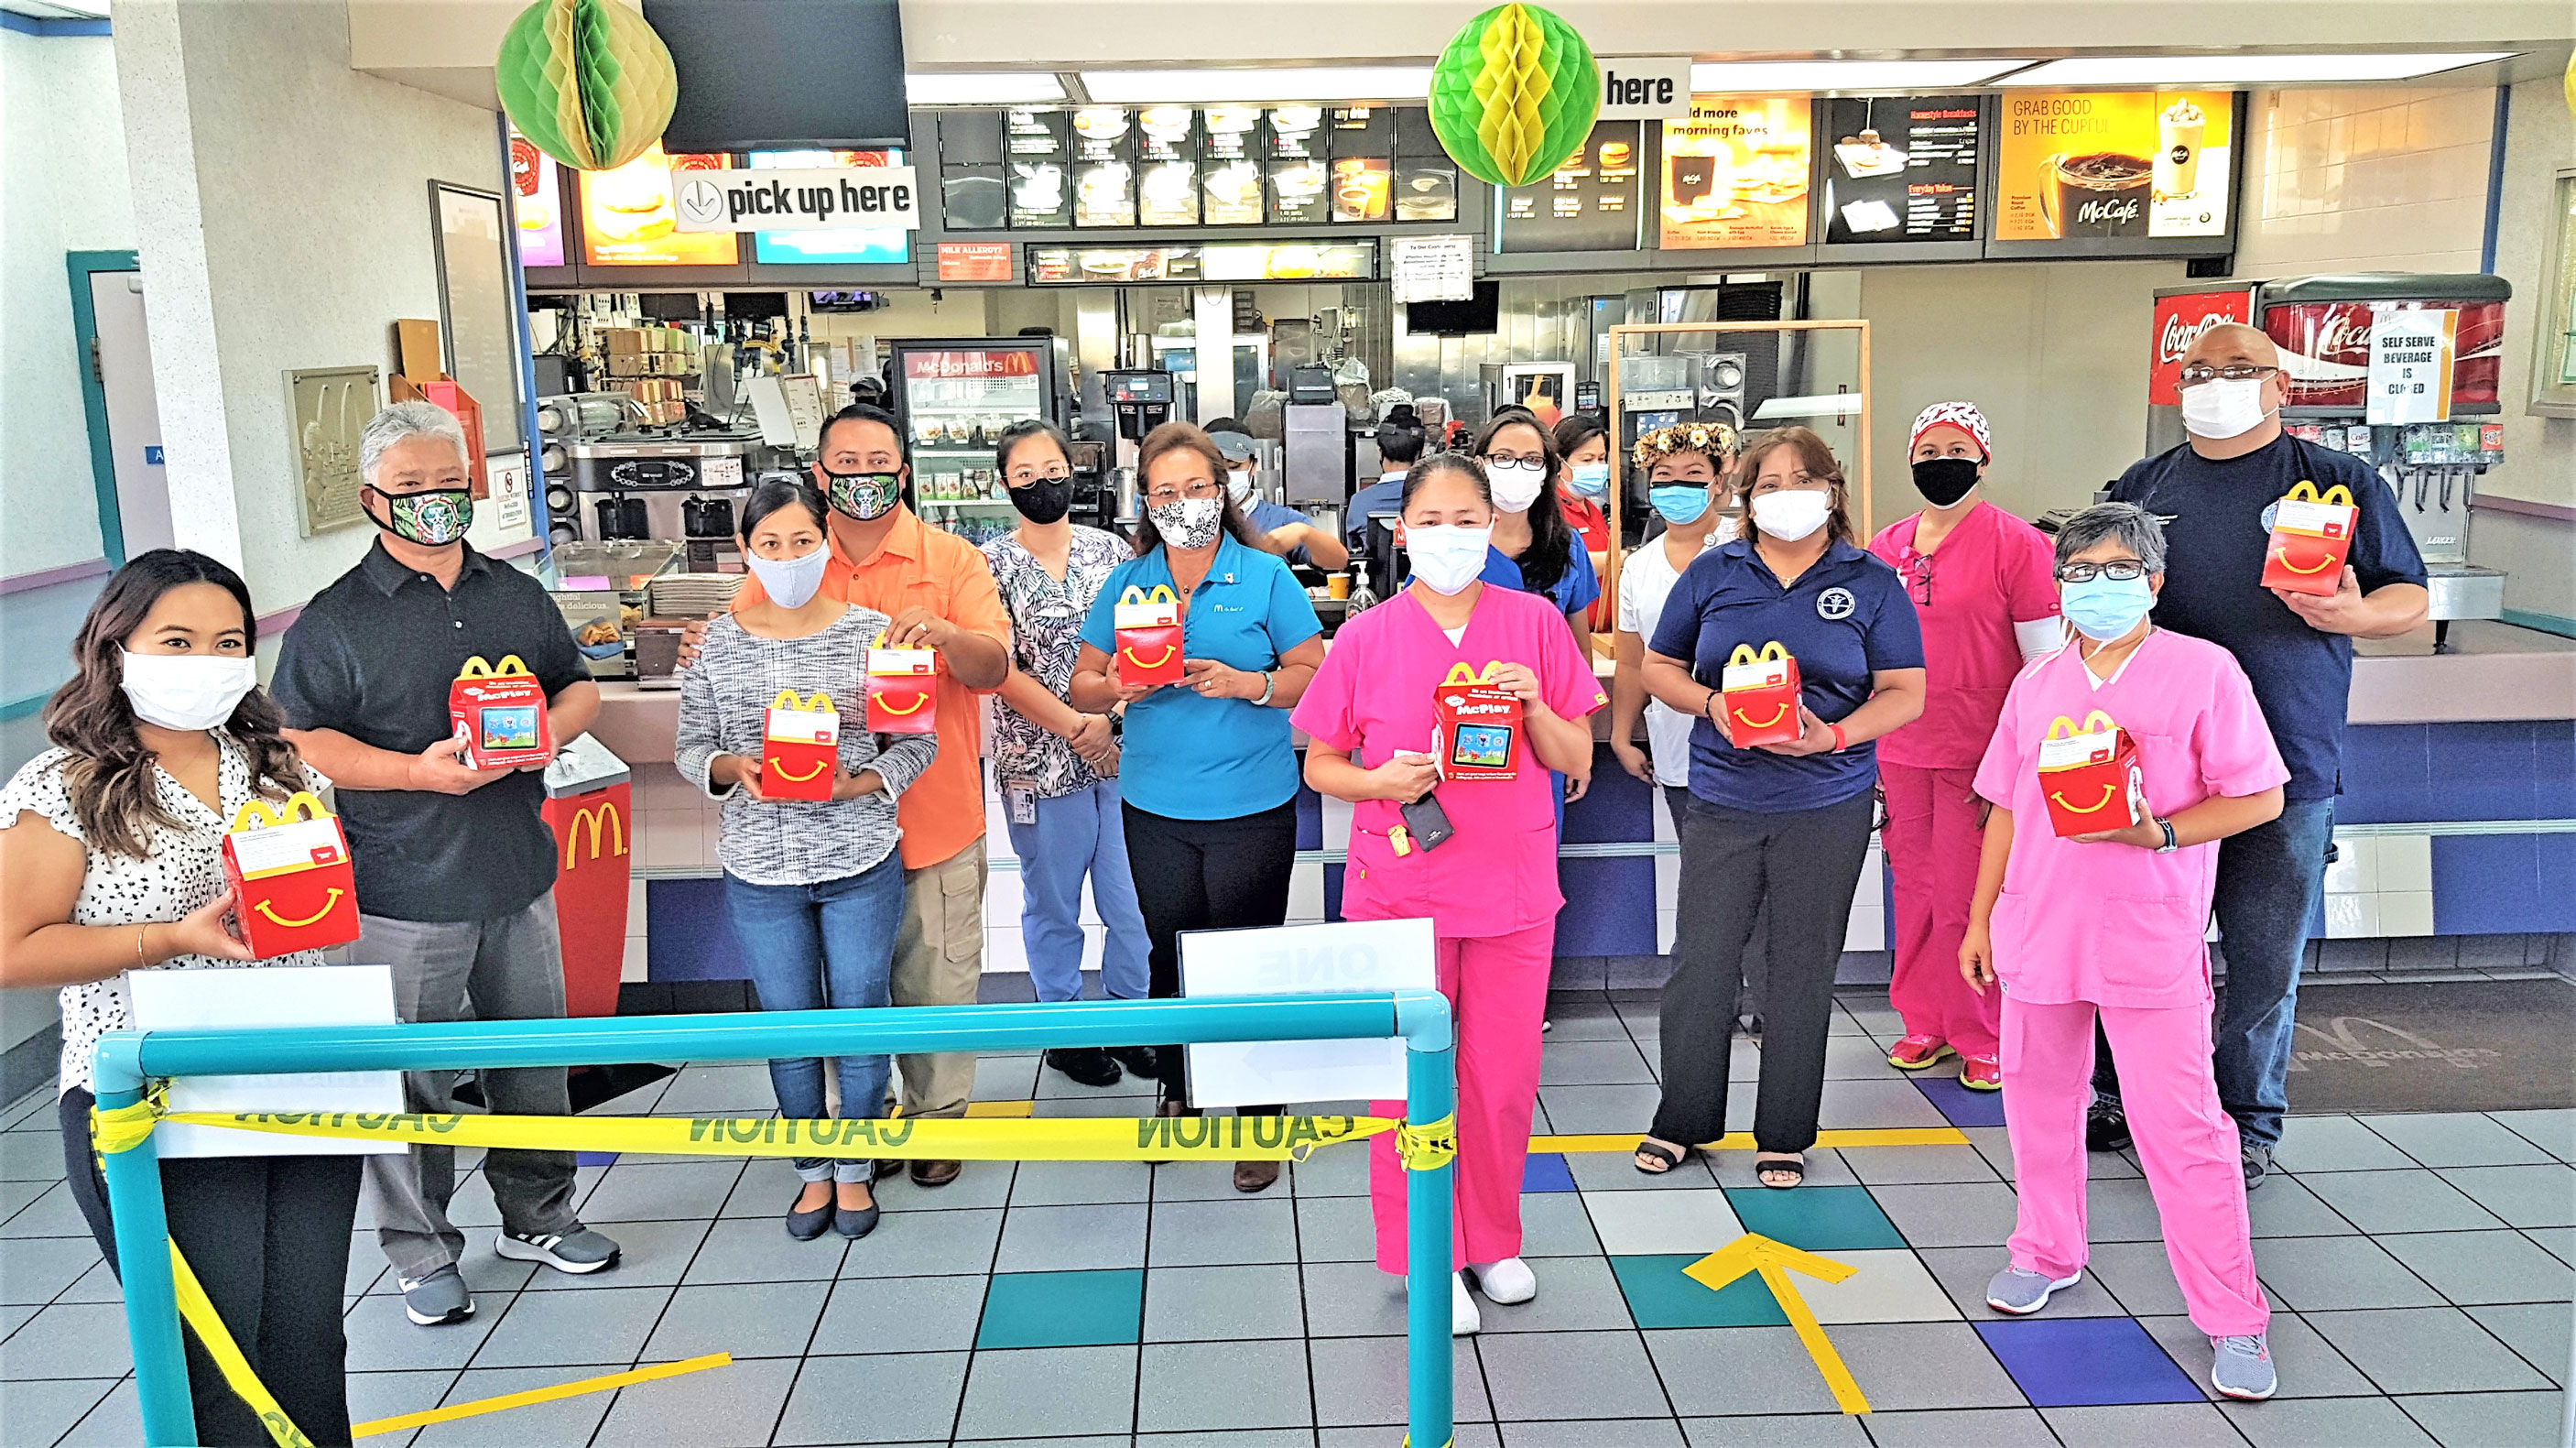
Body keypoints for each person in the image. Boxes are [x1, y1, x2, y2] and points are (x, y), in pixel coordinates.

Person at [1, 550, 362, 1444]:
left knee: (308, 1350)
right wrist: (169, 938)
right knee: (217, 1367)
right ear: (115, 649)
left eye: (228, 642)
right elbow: (11, 950)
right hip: (153, 1101)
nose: (206, 660)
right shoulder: (64, 788)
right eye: (177, 640)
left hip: (298, 1075)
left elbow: (314, 904)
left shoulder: (282, 768)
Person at [275, 401, 618, 1327]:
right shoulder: (335, 620)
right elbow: (303, 739)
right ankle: (420, 1250)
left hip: (517, 871)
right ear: (371, 499)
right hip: (402, 887)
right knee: (411, 1080)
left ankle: (539, 1215)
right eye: (412, 487)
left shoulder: (515, 592)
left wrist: (549, 732)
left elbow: (576, 685)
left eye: (449, 482)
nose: (435, 500)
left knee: (532, 1063)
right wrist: (413, 773)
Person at [1962, 503, 2285, 1401]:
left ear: (2152, 581)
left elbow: (2257, 797)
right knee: (2037, 1105)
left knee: (2181, 1128)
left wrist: (2161, 835)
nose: (2095, 586)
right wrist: (1980, 918)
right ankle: (2044, 1249)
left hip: (2147, 932)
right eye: (2078, 571)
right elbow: (2006, 807)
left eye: (2117, 570)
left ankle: (2232, 1315)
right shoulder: (2037, 682)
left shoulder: (2202, 671)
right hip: (2038, 927)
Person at [2102, 322, 2428, 1186]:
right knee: (2142, 944)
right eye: (2198, 370)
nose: (2215, 382)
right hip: (2160, 762)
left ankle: (2245, 1119)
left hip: (2287, 760)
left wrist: (2355, 616)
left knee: (2261, 959)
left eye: (2238, 369)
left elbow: (2408, 595)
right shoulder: (2143, 485)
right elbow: (2096, 590)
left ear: (2280, 386)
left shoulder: (2336, 480)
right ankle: (2118, 1093)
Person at [1296, 453, 1604, 1335]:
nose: (1448, 536)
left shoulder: (1533, 622)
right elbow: (1320, 763)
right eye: (1429, 521)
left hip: (1511, 888)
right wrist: (1380, 782)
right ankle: (1422, 1251)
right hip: (1401, 890)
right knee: (1407, 1085)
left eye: (1466, 520)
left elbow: (1575, 757)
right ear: (1402, 531)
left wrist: (1535, 707)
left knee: (1502, 1079)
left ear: (1491, 526)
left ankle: (1492, 1239)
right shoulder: (1366, 636)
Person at [687, 401, 1014, 1190]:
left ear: (903, 470)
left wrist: (945, 635)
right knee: (837, 1001)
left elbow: (994, 668)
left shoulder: (951, 558)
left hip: (931, 815)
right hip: (813, 837)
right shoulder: (792, 550)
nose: (863, 477)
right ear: (820, 473)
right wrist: (704, 646)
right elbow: (735, 665)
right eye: (846, 464)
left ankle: (935, 1123)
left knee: (934, 985)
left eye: (878, 463)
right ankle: (856, 1131)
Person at [1636, 426, 1926, 1188]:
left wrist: (1833, 735)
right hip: (1722, 795)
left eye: (1802, 480)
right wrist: (1710, 705)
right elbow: (1659, 665)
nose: (1785, 495)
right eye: (1768, 484)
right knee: (1700, 962)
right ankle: (1682, 1118)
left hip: (1826, 801)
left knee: (1800, 967)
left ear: (1831, 491)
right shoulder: (1714, 570)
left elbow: (1905, 691)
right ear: (1745, 497)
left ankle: (1785, 1131)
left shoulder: (1870, 580)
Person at [675, 478, 940, 1241]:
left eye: (801, 541)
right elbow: (691, 745)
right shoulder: (715, 643)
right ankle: (810, 1168)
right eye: (770, 543)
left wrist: (861, 781)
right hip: (760, 867)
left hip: (859, 858)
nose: (787, 557)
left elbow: (915, 741)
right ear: (745, 550)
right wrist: (731, 767)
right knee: (788, 1024)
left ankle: (854, 1168)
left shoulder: (875, 634)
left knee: (859, 1014)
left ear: (826, 544)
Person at [1070, 421, 1325, 1194]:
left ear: (1222, 490)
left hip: (1252, 801)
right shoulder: (1128, 581)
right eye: (1165, 492)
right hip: (1155, 803)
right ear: (1146, 502)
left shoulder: (1264, 574)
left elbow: (1311, 670)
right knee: (1170, 952)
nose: (1182, 503)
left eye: (1196, 488)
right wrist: (1120, 686)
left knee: (1246, 958)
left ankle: (1259, 1110)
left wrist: (1251, 684)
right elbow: (1082, 683)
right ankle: (1179, 1086)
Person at [1865, 403, 2064, 1092]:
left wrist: (2028, 756)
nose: (1941, 463)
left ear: (1983, 460)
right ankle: (1924, 1018)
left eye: (1956, 450)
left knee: (1971, 896)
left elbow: (2044, 664)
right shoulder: (1886, 547)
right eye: (1928, 452)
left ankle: (1984, 1030)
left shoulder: (2018, 545)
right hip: (1900, 748)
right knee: (1914, 889)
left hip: (1981, 755)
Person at [982, 419, 1155, 1089]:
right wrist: (1080, 726)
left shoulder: (1111, 553)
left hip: (1122, 754)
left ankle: (1131, 1017)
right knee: (1052, 901)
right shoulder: (988, 565)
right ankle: (1065, 1028)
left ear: (1073, 471)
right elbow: (998, 668)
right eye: (1024, 474)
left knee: (1130, 898)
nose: (1041, 483)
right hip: (1037, 761)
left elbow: (1143, 647)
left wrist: (1109, 720)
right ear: (1004, 484)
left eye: (1051, 469)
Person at [1212, 428, 1351, 572]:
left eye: (1233, 466)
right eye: (1217, 469)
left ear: (1253, 466)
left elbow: (1339, 560)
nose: (1226, 476)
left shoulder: (1281, 520)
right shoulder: (1200, 521)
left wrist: (1305, 533)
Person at [1551, 412, 1615, 633]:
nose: (1597, 466)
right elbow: (1568, 565)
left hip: (1603, 632)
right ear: (1560, 462)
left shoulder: (1592, 509)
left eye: (1602, 458)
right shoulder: (1551, 510)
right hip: (1572, 631)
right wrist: (1622, 559)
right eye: (1587, 460)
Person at [1344, 404, 1431, 552]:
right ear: (1421, 454)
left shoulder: (1359, 502)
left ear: (1379, 452)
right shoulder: (1436, 498)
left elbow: (1353, 551)